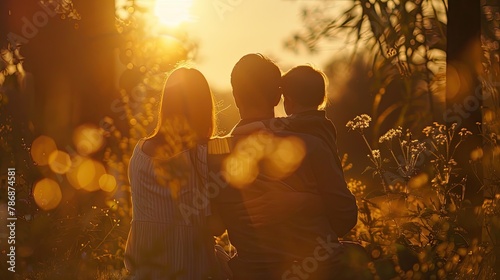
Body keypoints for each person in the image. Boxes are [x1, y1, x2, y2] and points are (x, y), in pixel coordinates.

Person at [207, 54, 358, 279]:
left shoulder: (215, 156)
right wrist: (308, 202)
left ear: (235, 96)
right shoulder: (311, 145)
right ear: (279, 97)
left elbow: (212, 226)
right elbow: (345, 217)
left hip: (254, 273)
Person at [124, 67, 224, 279]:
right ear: (204, 108)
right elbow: (216, 226)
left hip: (144, 268)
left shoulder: (139, 153)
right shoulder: (203, 155)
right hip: (190, 267)